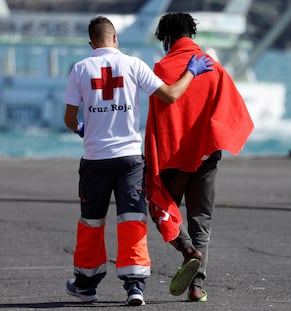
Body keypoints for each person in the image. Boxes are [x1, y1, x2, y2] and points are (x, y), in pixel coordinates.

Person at [63, 16, 213, 306]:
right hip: (130, 159)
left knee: (92, 222)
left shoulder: (80, 69)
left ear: (91, 43)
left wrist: (81, 128)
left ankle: (86, 286)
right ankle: (135, 287)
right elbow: (170, 96)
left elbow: (70, 118)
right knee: (132, 220)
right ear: (115, 38)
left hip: (95, 159)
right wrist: (192, 71)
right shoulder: (133, 64)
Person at [145, 12, 254, 302]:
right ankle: (197, 287)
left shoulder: (162, 68)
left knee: (161, 207)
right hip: (206, 154)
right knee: (201, 220)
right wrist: (210, 144)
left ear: (166, 38)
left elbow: (157, 117)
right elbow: (233, 113)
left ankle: (187, 250)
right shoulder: (213, 67)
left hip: (173, 157)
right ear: (191, 34)